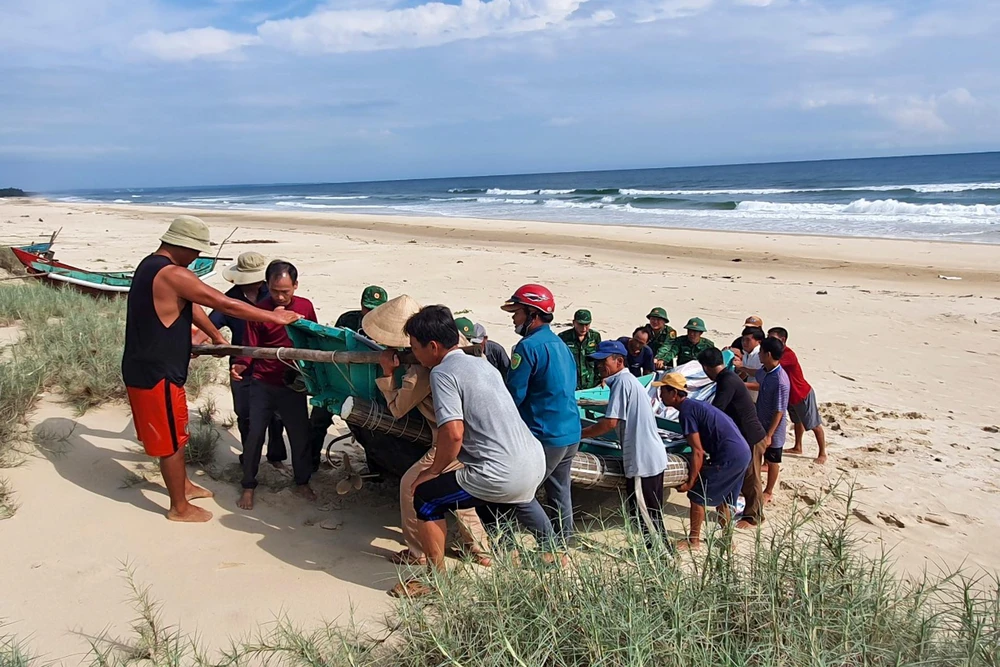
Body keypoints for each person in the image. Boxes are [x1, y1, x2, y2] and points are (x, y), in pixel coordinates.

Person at [122, 216, 300, 523]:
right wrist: (274, 318)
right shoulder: (172, 273)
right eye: (196, 252)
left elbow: (192, 306)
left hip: (163, 371)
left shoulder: (149, 265)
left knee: (178, 432)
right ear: (182, 246)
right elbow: (224, 304)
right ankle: (179, 507)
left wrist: (217, 337)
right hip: (154, 373)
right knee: (170, 443)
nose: (197, 258)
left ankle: (185, 486)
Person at [399, 305, 547, 596]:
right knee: (487, 507)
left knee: (426, 497)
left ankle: (435, 581)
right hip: (533, 461)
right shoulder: (482, 363)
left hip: (502, 473)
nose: (414, 354)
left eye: (415, 348)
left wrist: (432, 471)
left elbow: (453, 434)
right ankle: (525, 560)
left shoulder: (442, 373)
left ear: (433, 346)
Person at [364, 298, 490, 567]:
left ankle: (417, 551)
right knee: (458, 494)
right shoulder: (465, 360)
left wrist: (388, 374)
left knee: (411, 486)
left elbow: (398, 408)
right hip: (474, 440)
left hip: (448, 441)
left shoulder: (421, 373)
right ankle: (480, 550)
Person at [232, 260, 318, 510]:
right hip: (262, 383)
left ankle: (302, 482)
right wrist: (240, 364)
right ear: (266, 285)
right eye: (275, 290)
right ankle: (248, 485)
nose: (280, 296)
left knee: (300, 436)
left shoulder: (305, 306)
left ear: (296, 286)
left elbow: (314, 338)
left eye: (286, 291)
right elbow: (250, 347)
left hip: (293, 384)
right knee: (255, 435)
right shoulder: (259, 310)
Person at [502, 284, 581, 545]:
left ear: (532, 314)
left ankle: (539, 546)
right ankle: (564, 541)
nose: (513, 318)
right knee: (560, 490)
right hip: (570, 432)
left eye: (517, 312)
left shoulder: (527, 348)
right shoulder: (561, 345)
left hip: (544, 434)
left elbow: (514, 395)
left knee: (519, 490)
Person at [581, 340, 669, 547]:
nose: (600, 366)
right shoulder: (629, 381)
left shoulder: (621, 383)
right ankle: (654, 553)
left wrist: (580, 434)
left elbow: (610, 423)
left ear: (619, 361)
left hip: (642, 460)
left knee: (646, 515)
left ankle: (661, 560)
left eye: (604, 361)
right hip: (649, 456)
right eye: (598, 362)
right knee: (648, 512)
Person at [207, 251, 286, 469]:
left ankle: (275, 456)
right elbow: (210, 325)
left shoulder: (273, 295)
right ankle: (249, 455)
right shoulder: (229, 299)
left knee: (276, 414)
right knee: (245, 414)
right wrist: (206, 341)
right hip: (241, 365)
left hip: (271, 363)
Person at [655, 373, 751, 550]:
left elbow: (697, 451)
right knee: (725, 501)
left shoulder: (686, 412)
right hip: (743, 452)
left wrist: (691, 482)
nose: (660, 395)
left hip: (728, 455)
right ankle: (727, 541)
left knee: (698, 496)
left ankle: (694, 541)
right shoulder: (697, 405)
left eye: (663, 390)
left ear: (674, 393)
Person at [307, 286, 390, 470]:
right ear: (361, 305)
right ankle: (309, 464)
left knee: (371, 429)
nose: (371, 313)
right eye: (368, 308)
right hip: (342, 378)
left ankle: (376, 470)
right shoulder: (348, 319)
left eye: (377, 309)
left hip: (373, 386)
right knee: (318, 419)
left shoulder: (391, 326)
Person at [698, 347, 767, 528]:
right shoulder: (728, 377)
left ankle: (754, 517)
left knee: (751, 478)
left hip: (751, 436)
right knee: (744, 476)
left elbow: (717, 410)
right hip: (745, 435)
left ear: (706, 367)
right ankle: (745, 511)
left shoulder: (726, 381)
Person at [767, 327, 827, 464]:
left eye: (772, 338)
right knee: (797, 421)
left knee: (814, 424)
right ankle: (798, 446)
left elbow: (772, 364)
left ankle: (822, 452)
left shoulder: (787, 354)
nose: (769, 340)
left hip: (802, 393)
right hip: (790, 395)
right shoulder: (780, 353)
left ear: (782, 340)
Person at [755, 337, 791, 503]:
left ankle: (769, 491)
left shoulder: (780, 381)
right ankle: (755, 486)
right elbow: (756, 376)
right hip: (760, 422)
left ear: (768, 354)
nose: (759, 355)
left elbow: (779, 411)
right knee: (758, 456)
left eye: (761, 352)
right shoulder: (766, 370)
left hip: (773, 429)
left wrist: (770, 434)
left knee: (773, 460)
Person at [558, 309, 602, 390]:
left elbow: (600, 359)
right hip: (571, 383)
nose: (584, 328)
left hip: (591, 384)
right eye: (580, 324)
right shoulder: (563, 337)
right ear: (574, 322)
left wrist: (602, 378)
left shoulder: (595, 337)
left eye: (587, 324)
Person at [734, 327, 765, 401]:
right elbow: (746, 373)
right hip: (751, 396)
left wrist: (742, 368)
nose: (744, 342)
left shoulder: (760, 355)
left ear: (759, 342)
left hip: (760, 398)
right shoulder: (746, 353)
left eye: (748, 340)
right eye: (743, 339)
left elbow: (761, 375)